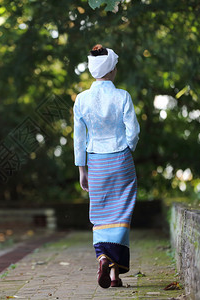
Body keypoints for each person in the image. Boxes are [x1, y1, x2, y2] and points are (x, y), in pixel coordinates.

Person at [73, 44, 140, 288]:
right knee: (121, 213)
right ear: (112, 70)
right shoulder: (122, 96)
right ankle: (114, 275)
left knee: (101, 214)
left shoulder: (81, 100)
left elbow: (79, 139)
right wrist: (127, 148)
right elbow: (133, 131)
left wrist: (82, 170)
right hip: (120, 158)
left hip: (95, 162)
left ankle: (103, 258)